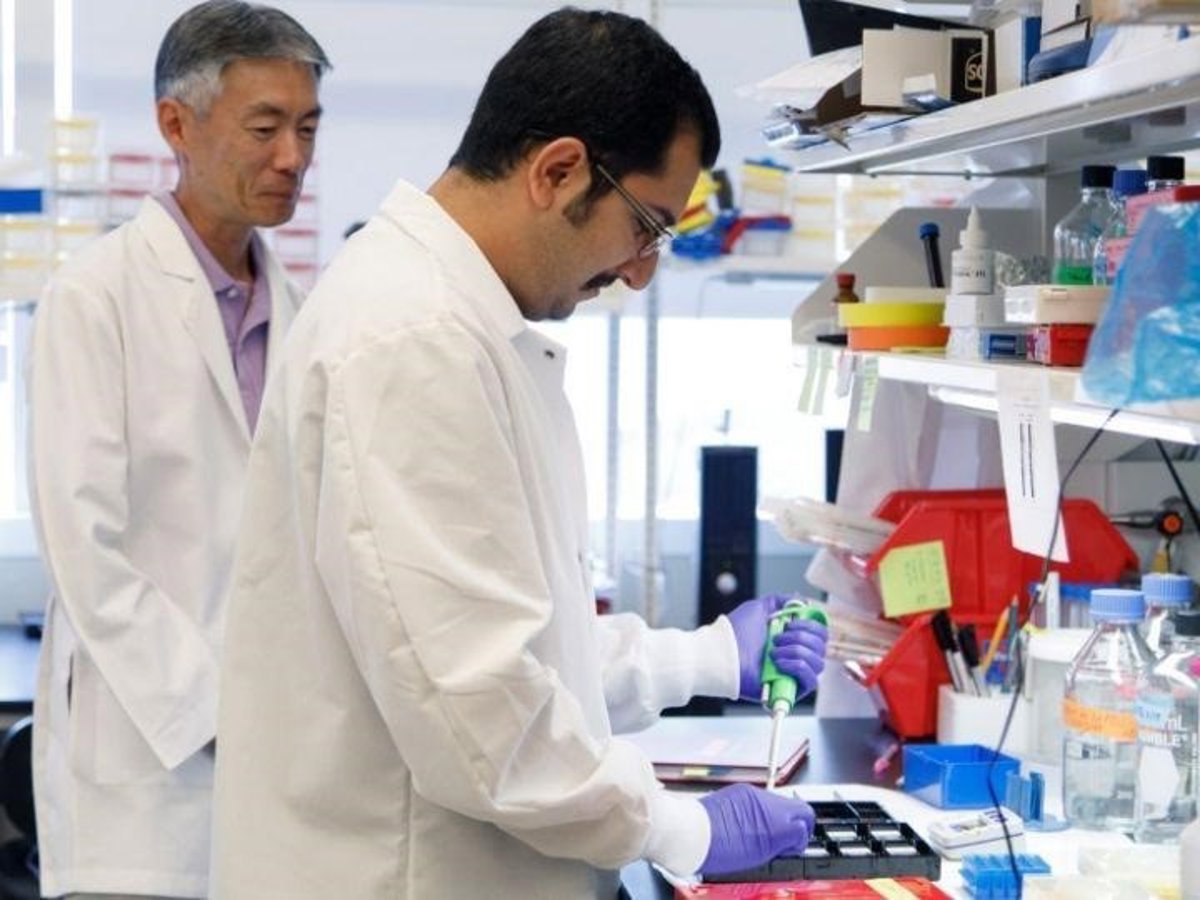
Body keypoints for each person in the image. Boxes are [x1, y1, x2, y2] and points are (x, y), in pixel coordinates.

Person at [211, 8, 826, 898]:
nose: (641, 270)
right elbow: (482, 710)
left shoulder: (456, 322)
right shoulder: (413, 340)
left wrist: (704, 661)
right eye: (646, 226)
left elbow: (524, 640)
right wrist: (682, 828)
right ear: (558, 170)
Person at [25, 3, 329, 898]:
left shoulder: (303, 312)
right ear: (176, 125)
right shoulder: (95, 299)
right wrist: (221, 713)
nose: (293, 157)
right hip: (143, 777)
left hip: (279, 773)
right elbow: (85, 552)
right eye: (265, 128)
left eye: (308, 129)